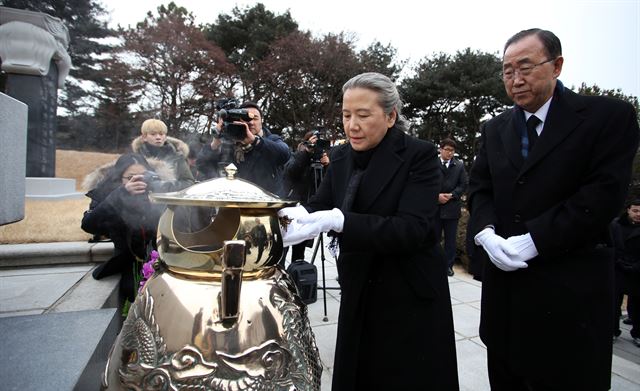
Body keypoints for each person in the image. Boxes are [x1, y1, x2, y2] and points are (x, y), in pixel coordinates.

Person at [467, 28, 639, 390]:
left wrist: (535, 240)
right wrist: (486, 232)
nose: (515, 80)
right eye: (507, 71)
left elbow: (603, 195)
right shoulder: (495, 128)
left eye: (525, 68)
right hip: (507, 299)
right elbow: (481, 188)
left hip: (569, 295)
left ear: (557, 65)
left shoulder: (606, 117)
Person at [278, 72, 458, 390]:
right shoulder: (342, 155)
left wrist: (342, 222)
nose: (352, 125)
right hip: (359, 284)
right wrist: (292, 218)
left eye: (363, 115)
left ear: (390, 116)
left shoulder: (419, 154)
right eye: (346, 115)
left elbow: (413, 228)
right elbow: (320, 204)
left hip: (408, 292)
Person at [81, 153, 172, 302]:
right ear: (119, 179)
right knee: (132, 290)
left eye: (143, 176)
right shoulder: (110, 194)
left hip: (161, 259)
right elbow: (89, 225)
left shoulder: (157, 191)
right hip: (128, 262)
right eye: (130, 177)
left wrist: (159, 201)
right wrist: (121, 194)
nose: (137, 180)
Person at [196, 101, 291, 195]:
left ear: (261, 122)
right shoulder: (228, 144)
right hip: (234, 202)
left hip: (265, 204)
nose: (251, 122)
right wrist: (215, 143)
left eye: (255, 118)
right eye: (246, 119)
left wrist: (255, 141)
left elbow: (285, 154)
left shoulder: (272, 140)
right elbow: (202, 166)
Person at [281, 130, 331, 267]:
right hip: (291, 209)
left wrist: (328, 166)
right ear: (306, 143)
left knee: (299, 253)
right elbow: (291, 172)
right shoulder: (298, 156)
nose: (316, 147)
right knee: (282, 250)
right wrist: (306, 153)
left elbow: (327, 185)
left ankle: (297, 279)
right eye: (313, 143)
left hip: (307, 210)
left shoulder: (322, 161)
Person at [131, 118, 195, 190]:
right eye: (153, 134)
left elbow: (189, 182)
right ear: (144, 137)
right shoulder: (135, 158)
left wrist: (165, 187)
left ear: (165, 137)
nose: (158, 137)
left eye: (161, 134)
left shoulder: (177, 157)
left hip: (169, 199)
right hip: (140, 200)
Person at [435, 138, 468, 277]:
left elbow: (463, 184)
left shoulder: (459, 165)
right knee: (433, 238)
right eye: (447, 149)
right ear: (440, 149)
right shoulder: (432, 163)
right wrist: (436, 196)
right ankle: (432, 263)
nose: (449, 153)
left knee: (450, 240)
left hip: (452, 208)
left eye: (452, 150)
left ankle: (448, 265)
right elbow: (426, 182)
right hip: (434, 208)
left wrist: (452, 195)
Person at [611, 201, 640, 347]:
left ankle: (637, 333)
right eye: (635, 210)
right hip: (618, 268)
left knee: (636, 304)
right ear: (628, 210)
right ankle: (613, 331)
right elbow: (612, 245)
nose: (638, 214)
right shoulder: (616, 225)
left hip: (637, 270)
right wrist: (618, 261)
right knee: (614, 303)